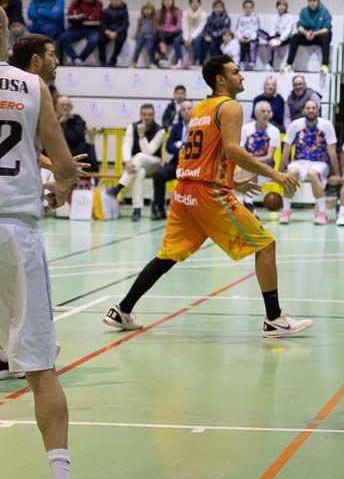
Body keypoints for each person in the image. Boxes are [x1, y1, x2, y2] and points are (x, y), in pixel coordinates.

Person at [102, 55, 313, 338]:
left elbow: (205, 155)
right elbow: (232, 150)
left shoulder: (201, 107)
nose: (242, 77)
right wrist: (275, 174)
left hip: (184, 191)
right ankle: (274, 319)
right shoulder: (230, 106)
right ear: (220, 79)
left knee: (168, 256)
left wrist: (232, 183)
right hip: (206, 194)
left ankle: (123, 309)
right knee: (265, 245)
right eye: (236, 72)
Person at [0, 19, 81, 479]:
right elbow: (65, 163)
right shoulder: (32, 85)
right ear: (6, 35)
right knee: (39, 370)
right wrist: (61, 188)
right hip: (15, 232)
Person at [279, 99, 340, 225]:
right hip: (300, 161)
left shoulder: (326, 125)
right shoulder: (295, 125)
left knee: (313, 174)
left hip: (320, 162)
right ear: (303, 110)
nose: (311, 110)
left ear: (318, 110)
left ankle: (322, 212)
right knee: (292, 172)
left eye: (314, 108)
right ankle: (286, 210)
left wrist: (337, 173)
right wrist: (280, 170)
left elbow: (332, 151)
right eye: (308, 108)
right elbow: (286, 149)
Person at [105, 104, 164, 221]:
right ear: (140, 115)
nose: (146, 117)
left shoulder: (160, 130)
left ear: (153, 116)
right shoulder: (132, 127)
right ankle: (137, 210)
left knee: (140, 156)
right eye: (144, 114)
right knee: (140, 172)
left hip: (154, 163)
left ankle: (118, 187)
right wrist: (127, 161)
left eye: (150, 115)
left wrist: (142, 136)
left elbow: (149, 151)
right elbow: (126, 145)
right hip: (136, 165)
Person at [150, 100, 192, 221]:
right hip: (177, 162)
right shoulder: (176, 128)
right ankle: (159, 209)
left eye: (189, 109)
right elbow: (169, 146)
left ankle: (192, 212)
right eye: (184, 109)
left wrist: (181, 144)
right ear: (180, 112)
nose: (187, 112)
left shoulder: (199, 126)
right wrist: (180, 149)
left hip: (192, 165)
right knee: (159, 175)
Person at [239, 101, 281, 214]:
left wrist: (252, 161)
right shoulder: (245, 128)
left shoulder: (274, 131)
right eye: (263, 111)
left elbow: (269, 156)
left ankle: (248, 203)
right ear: (256, 113)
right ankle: (247, 204)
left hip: (265, 167)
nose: (266, 114)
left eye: (268, 111)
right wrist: (250, 161)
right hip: (247, 165)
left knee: (249, 167)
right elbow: (241, 150)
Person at [285, 0, 333, 73]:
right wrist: (306, 33)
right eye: (310, 1)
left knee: (326, 35)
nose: (312, 3)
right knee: (295, 37)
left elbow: (327, 28)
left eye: (314, 1)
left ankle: (325, 64)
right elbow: (300, 27)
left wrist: (314, 33)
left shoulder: (324, 11)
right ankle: (289, 64)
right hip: (308, 36)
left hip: (319, 37)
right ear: (308, 1)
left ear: (318, 1)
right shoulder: (304, 11)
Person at [59, 0, 103, 65]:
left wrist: (81, 17)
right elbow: (70, 16)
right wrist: (82, 18)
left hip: (91, 29)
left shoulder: (98, 4)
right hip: (76, 28)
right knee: (63, 37)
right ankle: (74, 58)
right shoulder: (75, 2)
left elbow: (96, 18)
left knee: (94, 40)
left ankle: (80, 59)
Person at [56, 94, 97, 174]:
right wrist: (61, 122)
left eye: (67, 105)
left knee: (89, 149)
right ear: (57, 106)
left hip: (77, 153)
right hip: (59, 156)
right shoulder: (52, 119)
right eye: (62, 105)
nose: (65, 107)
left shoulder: (78, 119)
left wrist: (62, 123)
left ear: (71, 107)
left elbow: (74, 137)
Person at [264, 0, 297, 70]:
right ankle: (270, 63)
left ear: (286, 7)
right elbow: (272, 28)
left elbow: (288, 31)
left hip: (285, 38)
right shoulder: (274, 16)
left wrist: (280, 40)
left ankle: (289, 64)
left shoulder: (290, 17)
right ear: (277, 6)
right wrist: (273, 39)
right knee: (269, 42)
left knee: (294, 39)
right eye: (280, 5)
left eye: (284, 5)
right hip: (276, 36)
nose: (281, 7)